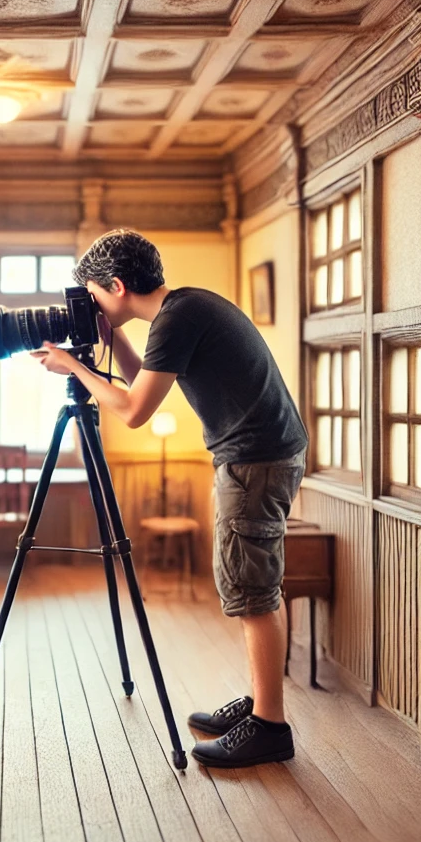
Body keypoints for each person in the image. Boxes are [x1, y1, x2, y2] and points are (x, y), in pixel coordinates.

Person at [31, 228, 308, 768]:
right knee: (252, 582)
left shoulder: (178, 319)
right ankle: (261, 703)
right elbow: (144, 385)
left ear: (116, 285)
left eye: (94, 295)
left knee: (252, 589)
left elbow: (133, 413)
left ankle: (270, 727)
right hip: (260, 454)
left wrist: (75, 368)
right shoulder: (182, 310)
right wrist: (109, 340)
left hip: (254, 460)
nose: (93, 305)